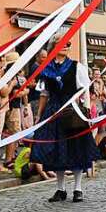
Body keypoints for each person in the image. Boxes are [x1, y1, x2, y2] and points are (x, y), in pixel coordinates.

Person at [31, 37, 99, 202]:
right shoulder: (47, 69)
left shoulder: (77, 66)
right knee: (56, 150)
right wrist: (39, 115)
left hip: (71, 110)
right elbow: (45, 93)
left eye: (68, 44)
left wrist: (85, 111)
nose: (65, 47)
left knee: (75, 148)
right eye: (61, 44)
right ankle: (60, 189)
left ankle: (77, 188)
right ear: (53, 47)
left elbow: (84, 90)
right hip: (53, 111)